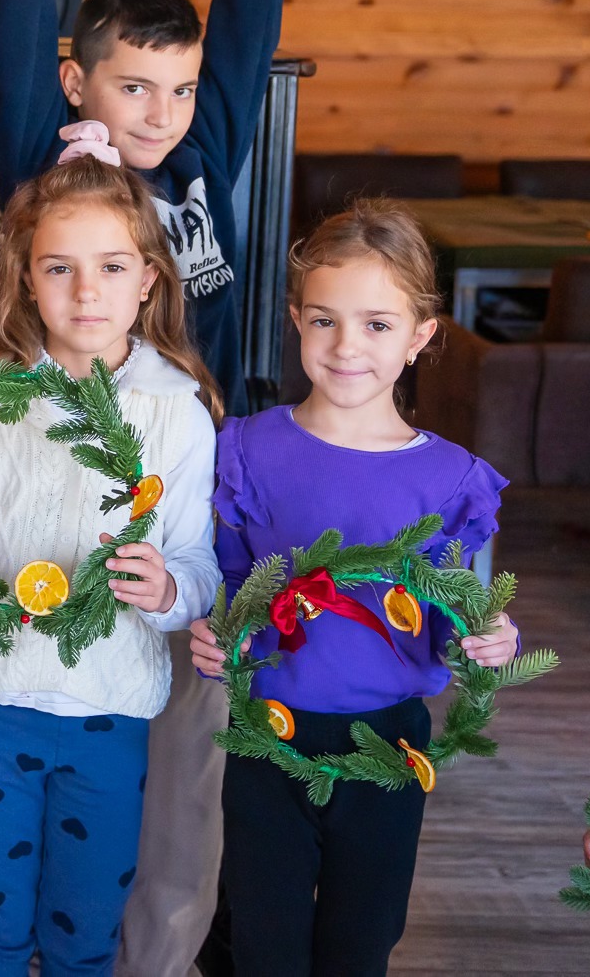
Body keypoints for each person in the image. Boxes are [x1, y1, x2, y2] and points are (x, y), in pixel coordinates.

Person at [0, 0, 307, 974]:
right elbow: (8, 16)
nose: (160, 112)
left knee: (178, 770)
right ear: (78, 84)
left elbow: (251, 1)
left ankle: (152, 955)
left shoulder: (206, 146)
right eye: (131, 86)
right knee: (54, 747)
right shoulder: (38, 161)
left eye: (174, 87)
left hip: (189, 497)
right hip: (50, 501)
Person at [0, 158, 221, 977]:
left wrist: (168, 589)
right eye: (60, 268)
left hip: (109, 707)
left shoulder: (175, 414)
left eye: (112, 267)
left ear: (148, 280)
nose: (87, 291)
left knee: (85, 928)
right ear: (27, 278)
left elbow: (197, 563)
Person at [188, 202, 517, 976]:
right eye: (325, 321)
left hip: (391, 744)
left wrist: (492, 639)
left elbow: (459, 613)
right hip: (267, 736)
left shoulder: (450, 479)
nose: (346, 347)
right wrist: (217, 628)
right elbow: (231, 580)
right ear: (296, 320)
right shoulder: (246, 449)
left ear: (419, 337)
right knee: (264, 942)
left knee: (361, 942)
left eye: (376, 325)